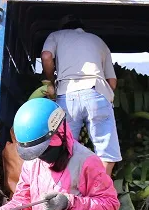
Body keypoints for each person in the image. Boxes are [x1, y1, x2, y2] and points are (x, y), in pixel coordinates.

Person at [41, 18, 120, 175]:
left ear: (64, 28)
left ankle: (69, 192)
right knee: (106, 152)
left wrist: (50, 79)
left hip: (67, 93)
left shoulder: (56, 35)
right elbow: (112, 82)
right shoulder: (99, 41)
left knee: (65, 149)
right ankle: (101, 194)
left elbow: (46, 56)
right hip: (97, 90)